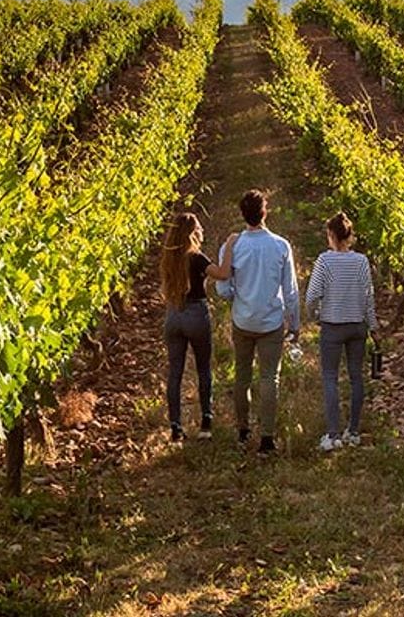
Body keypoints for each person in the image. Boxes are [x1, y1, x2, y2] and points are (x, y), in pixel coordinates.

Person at [216, 189, 299, 453]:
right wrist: (294, 324)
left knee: (242, 375)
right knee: (269, 378)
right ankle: (267, 438)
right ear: (265, 213)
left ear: (243, 215)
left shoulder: (233, 246)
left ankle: (242, 431)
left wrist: (235, 298)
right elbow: (291, 291)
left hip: (243, 319)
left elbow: (222, 287)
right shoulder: (280, 246)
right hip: (271, 321)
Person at [303, 211, 376, 451]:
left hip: (333, 325)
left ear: (331, 235)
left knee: (330, 378)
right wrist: (373, 326)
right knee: (357, 377)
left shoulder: (325, 261)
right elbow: (369, 298)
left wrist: (314, 316)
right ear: (350, 235)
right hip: (357, 326)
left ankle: (333, 434)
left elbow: (312, 295)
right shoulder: (362, 261)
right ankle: (353, 431)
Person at [159, 211, 229, 441]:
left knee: (175, 373)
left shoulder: (170, 258)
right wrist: (229, 248)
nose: (201, 230)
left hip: (173, 314)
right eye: (198, 227)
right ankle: (206, 421)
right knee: (203, 369)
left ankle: (175, 427)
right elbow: (221, 274)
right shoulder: (196, 257)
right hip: (196, 314)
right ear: (192, 233)